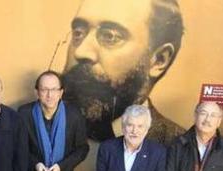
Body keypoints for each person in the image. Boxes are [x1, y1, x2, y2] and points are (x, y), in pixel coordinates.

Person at [61, 0, 185, 143]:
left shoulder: (178, 147)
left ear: (159, 60)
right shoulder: (39, 127)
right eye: (78, 33)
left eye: (110, 36)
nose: (80, 52)